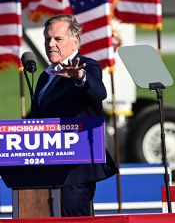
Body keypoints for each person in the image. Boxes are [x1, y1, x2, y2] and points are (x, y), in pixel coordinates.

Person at [29, 14, 118, 217]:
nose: (50, 44)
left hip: (76, 169)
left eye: (57, 39)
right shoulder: (46, 76)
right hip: (48, 166)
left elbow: (98, 92)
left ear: (75, 41)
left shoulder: (87, 66)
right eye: (47, 39)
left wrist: (80, 78)